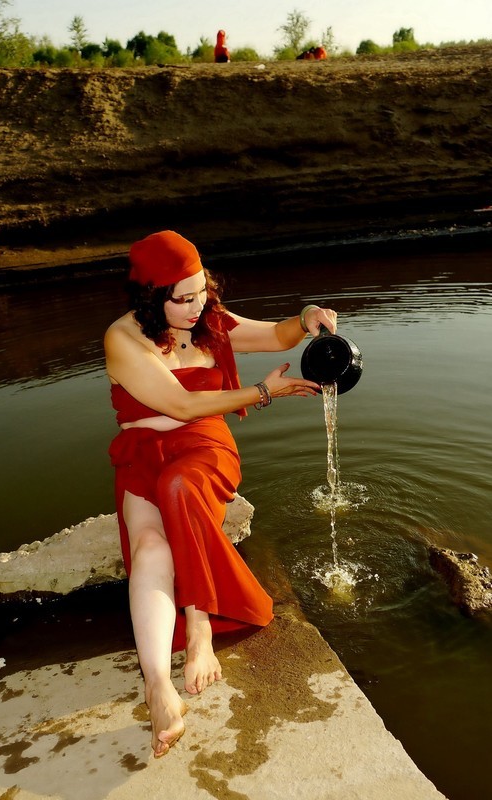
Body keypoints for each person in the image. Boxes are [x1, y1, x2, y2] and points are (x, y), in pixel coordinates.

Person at [104, 230, 338, 759]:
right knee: (149, 549)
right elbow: (180, 404)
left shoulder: (210, 321)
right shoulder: (124, 339)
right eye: (180, 298)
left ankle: (200, 623)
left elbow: (278, 337)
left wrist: (306, 317)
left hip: (204, 450)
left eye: (200, 292)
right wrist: (262, 393)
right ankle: (158, 684)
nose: (195, 306)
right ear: (149, 298)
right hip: (143, 452)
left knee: (180, 486)